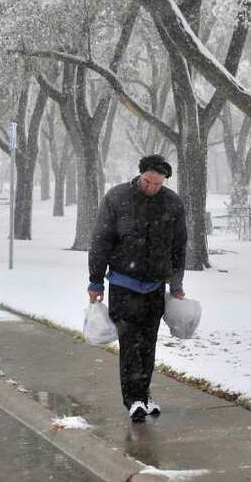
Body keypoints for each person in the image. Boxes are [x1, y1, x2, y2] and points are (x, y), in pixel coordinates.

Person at [88, 154, 187, 422]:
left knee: (149, 343)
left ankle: (144, 394)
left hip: (154, 286)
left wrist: (176, 283)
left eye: (158, 184)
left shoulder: (172, 204)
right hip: (123, 284)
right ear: (140, 174)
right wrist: (95, 281)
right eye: (148, 182)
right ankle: (133, 399)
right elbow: (100, 241)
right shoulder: (117, 198)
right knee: (130, 342)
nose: (152, 188)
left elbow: (178, 247)